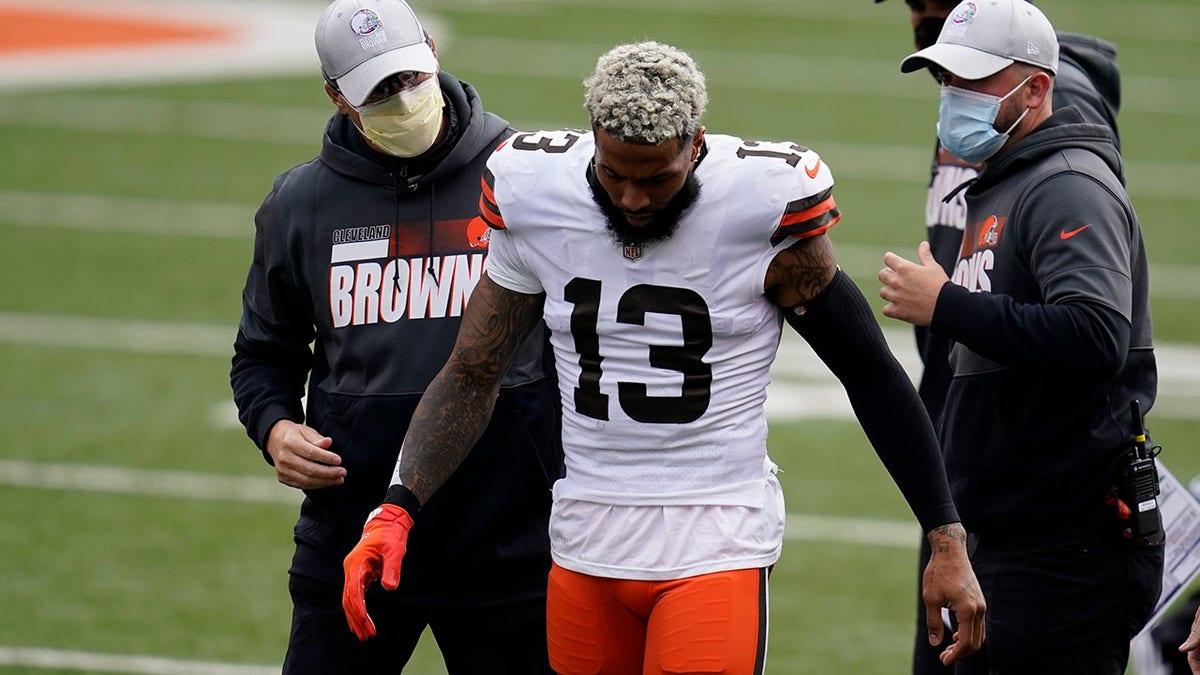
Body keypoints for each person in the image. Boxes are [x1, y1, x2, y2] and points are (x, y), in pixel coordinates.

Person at [339, 40, 986, 674]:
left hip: (715, 538)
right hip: (584, 536)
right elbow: (473, 371)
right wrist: (397, 504)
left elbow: (869, 372)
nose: (633, 200)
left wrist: (944, 533)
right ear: (593, 141)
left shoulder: (760, 204)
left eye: (657, 178)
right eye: (614, 175)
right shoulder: (535, 191)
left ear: (695, 145)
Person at [229, 0, 560, 672]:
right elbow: (263, 355)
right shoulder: (299, 204)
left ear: (433, 52)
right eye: (378, 89)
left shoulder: (529, 178)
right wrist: (275, 428)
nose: (403, 99)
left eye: (408, 76)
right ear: (336, 96)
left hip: (511, 541)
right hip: (353, 539)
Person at [879, 1, 1162, 672]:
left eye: (973, 81)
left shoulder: (1066, 184)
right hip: (1005, 531)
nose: (952, 98)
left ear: (1036, 88)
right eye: (945, 78)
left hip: (1060, 545)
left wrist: (944, 303)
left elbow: (1096, 334)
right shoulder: (1006, 178)